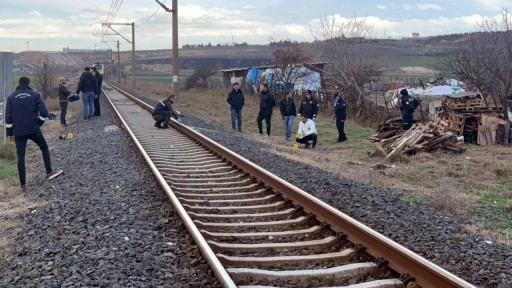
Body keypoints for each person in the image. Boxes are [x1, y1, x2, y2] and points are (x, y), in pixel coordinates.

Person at [5, 77, 64, 190]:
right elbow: (44, 112)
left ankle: (23, 185)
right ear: (28, 83)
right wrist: (39, 123)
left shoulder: (11, 97)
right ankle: (49, 171)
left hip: (18, 132)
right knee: (44, 147)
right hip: (33, 129)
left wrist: (10, 133)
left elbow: (8, 118)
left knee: (20, 157)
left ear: (19, 84)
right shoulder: (35, 95)